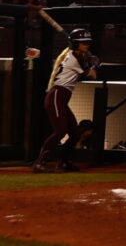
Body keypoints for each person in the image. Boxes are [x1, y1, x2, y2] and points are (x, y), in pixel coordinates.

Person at [32, 27, 99, 172]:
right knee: (60, 131)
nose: (87, 45)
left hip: (62, 98)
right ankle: (39, 162)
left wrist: (89, 60)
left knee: (75, 133)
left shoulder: (75, 55)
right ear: (75, 44)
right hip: (57, 95)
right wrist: (94, 64)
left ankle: (63, 162)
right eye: (84, 43)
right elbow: (92, 75)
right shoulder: (75, 58)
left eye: (88, 42)